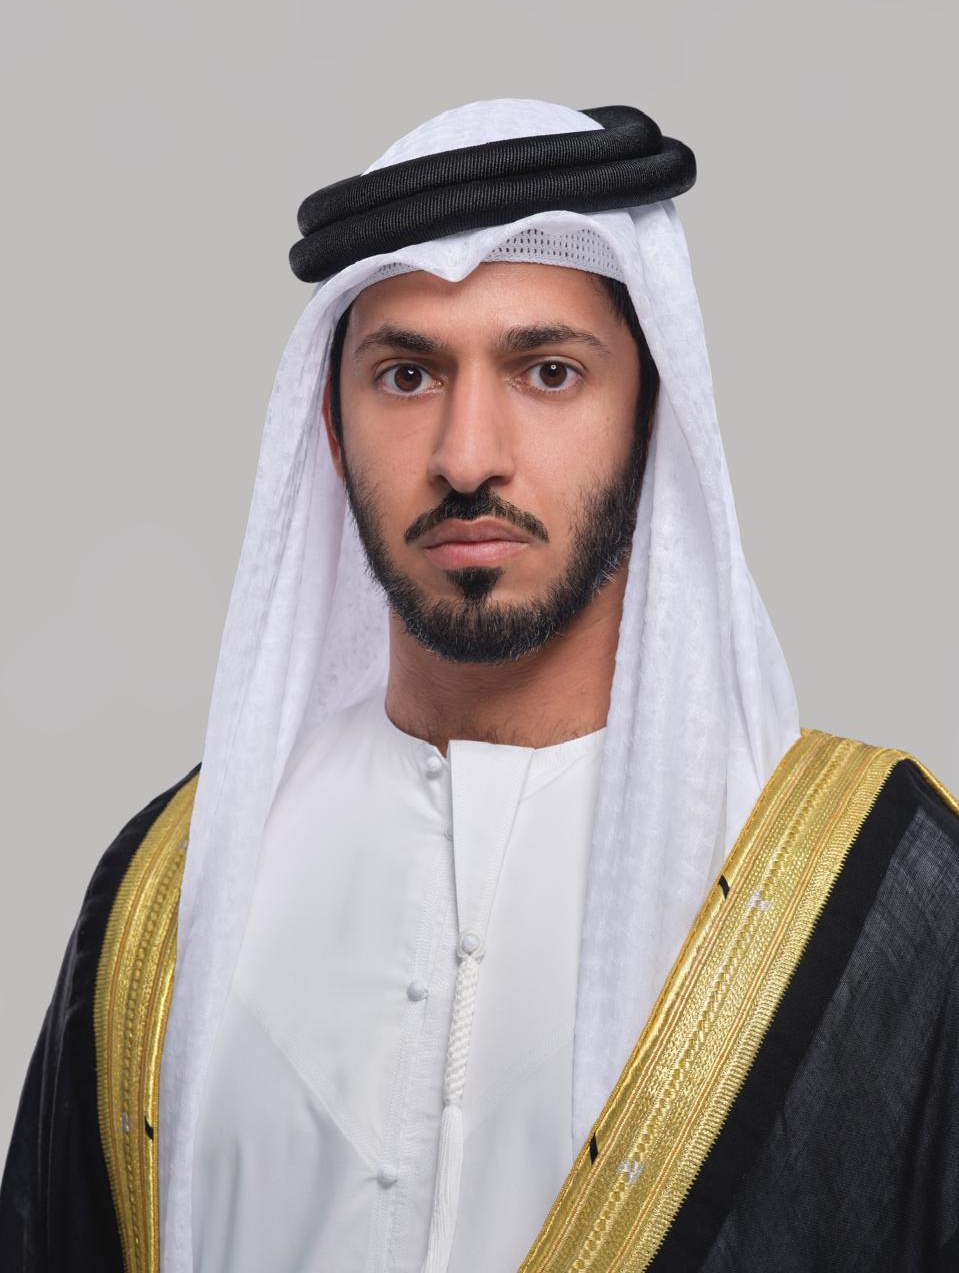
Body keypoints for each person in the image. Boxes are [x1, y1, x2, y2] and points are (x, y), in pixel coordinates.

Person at [2, 99, 957, 1273]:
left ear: (650, 414)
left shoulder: (879, 891)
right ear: (331, 427)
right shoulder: (173, 886)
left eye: (546, 371)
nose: (466, 456)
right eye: (405, 374)